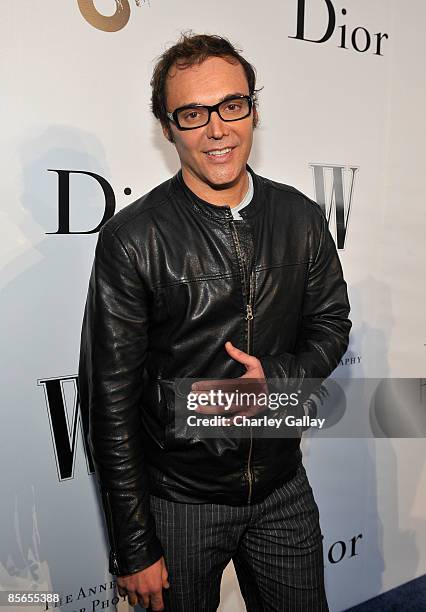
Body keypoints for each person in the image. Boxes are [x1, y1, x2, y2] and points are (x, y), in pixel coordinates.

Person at [78, 32, 351, 612]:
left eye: (232, 105)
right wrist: (133, 545)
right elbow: (111, 399)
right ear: (168, 126)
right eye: (193, 113)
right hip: (180, 503)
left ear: (253, 109)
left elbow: (330, 323)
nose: (217, 128)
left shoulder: (300, 217)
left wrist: (280, 375)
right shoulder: (134, 239)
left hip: (282, 486)